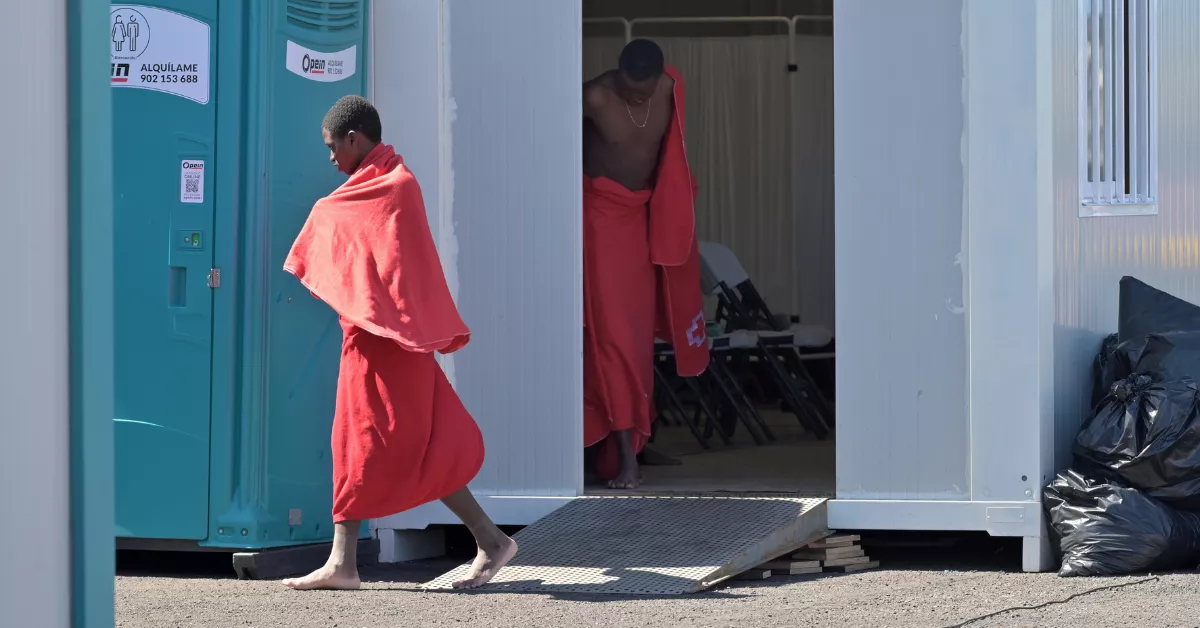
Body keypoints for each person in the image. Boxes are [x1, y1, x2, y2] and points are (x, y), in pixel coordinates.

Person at [280, 95, 517, 590]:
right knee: (366, 443)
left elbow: (398, 270)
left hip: (394, 343)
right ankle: (351, 561)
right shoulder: (371, 186)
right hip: (371, 338)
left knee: (401, 445)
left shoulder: (396, 185)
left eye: (332, 148)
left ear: (353, 139)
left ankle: (483, 541)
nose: (330, 160)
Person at [582, 39, 709, 489]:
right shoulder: (595, 96)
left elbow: (673, 155)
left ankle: (639, 437)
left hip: (643, 219)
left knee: (637, 336)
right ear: (617, 76)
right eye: (629, 91)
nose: (638, 99)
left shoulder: (670, 87)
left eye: (645, 91)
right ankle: (622, 456)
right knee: (611, 335)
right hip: (599, 220)